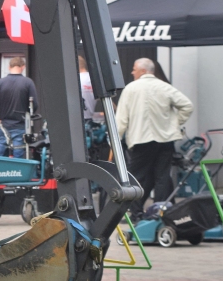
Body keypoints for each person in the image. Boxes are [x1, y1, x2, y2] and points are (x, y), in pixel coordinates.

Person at [116, 57, 193, 213]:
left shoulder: (131, 89)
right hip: (166, 139)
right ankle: (162, 212)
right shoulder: (165, 87)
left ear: (143, 71)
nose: (132, 72)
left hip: (141, 140)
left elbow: (121, 118)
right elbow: (187, 106)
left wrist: (115, 139)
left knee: (136, 177)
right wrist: (174, 125)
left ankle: (136, 213)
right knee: (162, 176)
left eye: (134, 69)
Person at [0, 56, 38, 158]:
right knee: (18, 159)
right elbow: (35, 105)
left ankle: (2, 174)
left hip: (3, 126)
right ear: (23, 67)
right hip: (20, 126)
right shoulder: (28, 82)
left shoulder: (0, 83)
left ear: (9, 67)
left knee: (2, 158)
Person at [78, 55, 104, 123]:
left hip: (76, 120)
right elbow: (104, 97)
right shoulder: (94, 79)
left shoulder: (75, 80)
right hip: (89, 120)